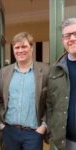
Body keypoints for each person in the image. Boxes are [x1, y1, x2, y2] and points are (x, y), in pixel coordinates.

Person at [0, 32, 49, 150]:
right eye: (17, 47)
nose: (20, 50)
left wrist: (43, 126)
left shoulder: (45, 71)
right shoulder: (4, 72)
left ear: (31, 47)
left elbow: (51, 103)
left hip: (34, 133)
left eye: (24, 46)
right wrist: (1, 125)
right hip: (9, 131)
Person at [46, 17, 76, 150]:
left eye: (75, 34)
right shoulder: (55, 70)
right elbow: (50, 104)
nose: (72, 38)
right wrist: (52, 130)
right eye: (67, 36)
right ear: (63, 40)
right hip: (65, 142)